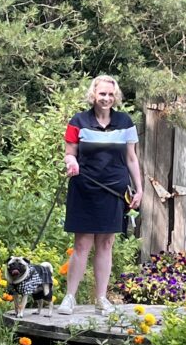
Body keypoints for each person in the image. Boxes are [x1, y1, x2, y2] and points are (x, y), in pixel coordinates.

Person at [58, 76, 142, 314]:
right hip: (84, 188)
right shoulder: (78, 121)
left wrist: (139, 188)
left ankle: (101, 299)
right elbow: (69, 153)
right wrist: (72, 162)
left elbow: (131, 158)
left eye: (110, 94)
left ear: (116, 97)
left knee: (106, 244)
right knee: (82, 244)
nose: (106, 98)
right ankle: (70, 298)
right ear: (93, 95)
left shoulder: (125, 122)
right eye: (102, 94)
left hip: (114, 191)